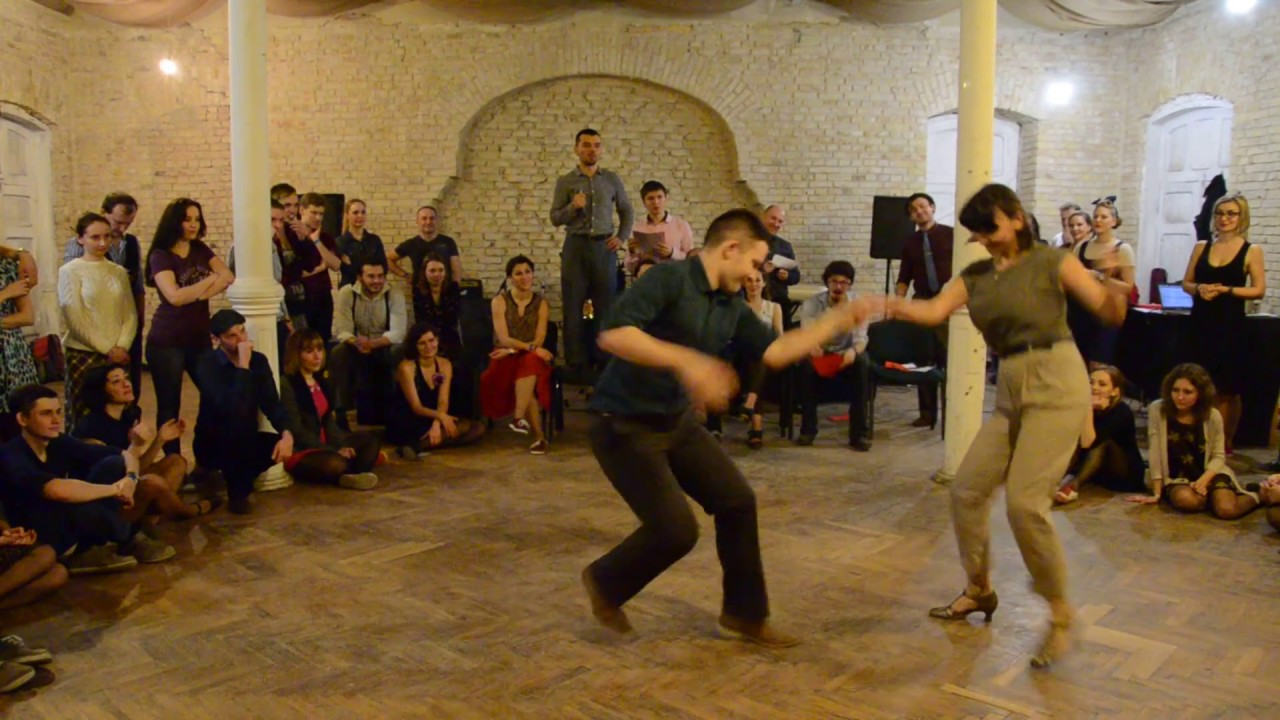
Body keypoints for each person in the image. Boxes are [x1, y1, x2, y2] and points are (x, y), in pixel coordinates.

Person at [581, 208, 872, 648]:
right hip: (623, 424)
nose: (759, 273)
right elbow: (614, 334)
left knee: (737, 501)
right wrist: (690, 362)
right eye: (756, 263)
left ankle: (744, 614)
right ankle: (605, 582)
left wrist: (838, 321)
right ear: (731, 249)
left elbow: (775, 352)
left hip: (674, 421)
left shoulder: (729, 305)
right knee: (676, 532)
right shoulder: (668, 280)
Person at [881, 183, 1129, 668]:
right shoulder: (976, 275)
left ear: (1016, 217)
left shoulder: (1052, 261)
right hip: (1013, 388)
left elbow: (1107, 311)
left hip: (1057, 381)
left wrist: (1117, 289)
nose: (985, 240)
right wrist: (875, 304)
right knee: (967, 490)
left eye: (990, 229)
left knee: (1024, 504)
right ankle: (979, 590)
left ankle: (1061, 616)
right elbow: (932, 310)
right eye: (978, 233)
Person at [0, 384, 178, 572]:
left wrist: (131, 479)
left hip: (63, 512)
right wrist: (116, 489)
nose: (56, 420)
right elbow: (56, 491)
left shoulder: (58, 440)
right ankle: (113, 541)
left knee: (114, 464)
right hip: (37, 529)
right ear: (22, 419)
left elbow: (125, 455)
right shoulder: (11, 454)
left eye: (58, 412)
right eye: (45, 414)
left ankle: (116, 538)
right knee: (83, 503)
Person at [144, 198, 234, 457]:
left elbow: (227, 276)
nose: (193, 225)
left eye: (197, 219)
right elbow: (173, 297)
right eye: (187, 219)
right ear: (175, 222)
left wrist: (192, 293)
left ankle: (207, 456)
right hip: (167, 340)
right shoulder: (160, 256)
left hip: (198, 337)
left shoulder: (200, 249)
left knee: (215, 393)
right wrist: (208, 285)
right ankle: (173, 462)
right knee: (170, 405)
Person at [1181, 192, 1265, 455]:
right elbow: (1186, 283)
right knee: (1198, 381)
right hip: (1200, 323)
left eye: (1231, 213)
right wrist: (1200, 289)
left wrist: (1226, 290)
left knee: (1226, 389)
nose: (1224, 218)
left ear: (1241, 217)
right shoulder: (1202, 247)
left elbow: (1259, 290)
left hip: (1230, 326)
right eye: (1220, 213)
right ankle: (1198, 439)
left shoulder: (1251, 250)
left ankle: (1224, 444)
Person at [71, 363, 213, 517]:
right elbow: (115, 475)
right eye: (116, 381)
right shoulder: (91, 427)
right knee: (152, 481)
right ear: (100, 390)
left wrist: (160, 440)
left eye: (126, 378)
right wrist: (136, 447)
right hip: (107, 496)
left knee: (176, 461)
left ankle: (152, 517)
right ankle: (187, 511)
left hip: (128, 479)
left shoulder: (129, 415)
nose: (126, 384)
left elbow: (137, 466)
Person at [549, 129, 634, 375]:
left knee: (605, 307)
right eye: (586, 145)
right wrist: (572, 208)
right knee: (573, 306)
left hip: (603, 248)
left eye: (596, 145)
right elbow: (555, 218)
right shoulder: (565, 181)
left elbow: (627, 211)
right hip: (575, 247)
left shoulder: (611, 179)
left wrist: (620, 237)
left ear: (601, 149)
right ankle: (576, 363)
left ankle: (604, 362)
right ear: (576, 149)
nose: (592, 150)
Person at [193, 310, 294, 515]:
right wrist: (243, 367)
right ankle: (235, 490)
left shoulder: (258, 361)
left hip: (245, 435)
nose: (241, 340)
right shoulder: (206, 364)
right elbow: (231, 407)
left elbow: (271, 403)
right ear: (216, 339)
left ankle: (238, 482)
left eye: (242, 332)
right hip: (214, 438)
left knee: (274, 442)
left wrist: (287, 433)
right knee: (236, 435)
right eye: (232, 336)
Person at [1127, 363, 1259, 519]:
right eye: (1175, 390)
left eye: (1187, 392)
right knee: (1187, 501)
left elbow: (1218, 456)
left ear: (1200, 394)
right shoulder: (1158, 409)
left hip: (1209, 473)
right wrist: (1156, 493)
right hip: (1178, 476)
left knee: (1226, 510)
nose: (1180, 397)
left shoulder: (1212, 415)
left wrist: (1203, 481)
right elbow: (1155, 451)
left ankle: (1259, 495)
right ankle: (1210, 498)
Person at [57, 212, 138, 429]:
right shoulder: (70, 271)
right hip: (85, 353)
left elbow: (129, 313)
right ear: (81, 239)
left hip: (117, 354)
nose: (103, 243)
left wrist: (122, 346)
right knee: (84, 412)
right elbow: (74, 319)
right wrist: (106, 348)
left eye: (107, 236)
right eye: (95, 237)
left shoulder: (118, 272)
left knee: (119, 411)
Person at [62, 193, 145, 392]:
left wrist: (125, 341)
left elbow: (134, 294)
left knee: (127, 396)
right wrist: (108, 348)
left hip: (121, 338)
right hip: (89, 345)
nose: (123, 228)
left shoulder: (127, 249)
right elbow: (75, 313)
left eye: (129, 223)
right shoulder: (73, 264)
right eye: (118, 222)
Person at [279, 330, 380, 490]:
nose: (317, 356)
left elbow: (328, 421)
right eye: (309, 351)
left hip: (327, 443)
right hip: (303, 449)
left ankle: (350, 474)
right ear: (296, 354)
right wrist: (334, 451)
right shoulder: (288, 384)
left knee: (370, 441)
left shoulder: (320, 379)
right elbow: (297, 431)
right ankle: (351, 470)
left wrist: (342, 445)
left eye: (319, 350)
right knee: (334, 463)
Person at [480, 255, 553, 454]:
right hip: (505, 354)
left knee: (529, 363)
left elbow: (539, 338)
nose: (524, 277)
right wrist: (520, 349)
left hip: (524, 355)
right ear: (510, 277)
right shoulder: (500, 301)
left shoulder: (541, 303)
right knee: (528, 368)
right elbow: (503, 337)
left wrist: (516, 349)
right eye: (518, 273)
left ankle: (518, 417)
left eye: (528, 272)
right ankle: (539, 437)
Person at [797, 261, 871, 451]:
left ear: (850, 285)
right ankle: (808, 430)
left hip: (847, 353)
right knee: (805, 366)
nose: (839, 287)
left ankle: (859, 434)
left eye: (844, 282)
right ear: (827, 282)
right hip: (822, 352)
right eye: (834, 282)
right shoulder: (813, 304)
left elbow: (861, 339)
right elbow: (808, 333)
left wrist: (853, 352)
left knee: (863, 363)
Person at [894, 192, 954, 427]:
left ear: (932, 207)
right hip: (922, 301)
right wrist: (898, 303)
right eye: (914, 210)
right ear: (911, 217)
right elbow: (904, 276)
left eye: (923, 206)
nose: (919, 212)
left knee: (949, 358)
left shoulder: (951, 235)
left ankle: (953, 413)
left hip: (948, 302)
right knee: (923, 358)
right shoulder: (910, 242)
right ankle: (927, 413)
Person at [389, 322, 484, 458]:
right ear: (414, 346)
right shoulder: (407, 367)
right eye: (422, 343)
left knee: (477, 429)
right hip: (410, 419)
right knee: (460, 428)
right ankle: (417, 444)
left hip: (432, 417)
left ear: (437, 340)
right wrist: (441, 417)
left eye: (431, 340)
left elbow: (443, 401)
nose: (428, 346)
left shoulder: (444, 364)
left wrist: (437, 423)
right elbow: (416, 407)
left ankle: (418, 446)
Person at [329, 260, 407, 428]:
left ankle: (396, 413)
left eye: (380, 276)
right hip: (357, 345)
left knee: (398, 351)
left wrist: (373, 344)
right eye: (371, 276)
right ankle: (340, 412)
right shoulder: (347, 293)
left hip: (383, 344)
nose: (377, 281)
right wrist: (357, 342)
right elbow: (343, 330)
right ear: (360, 277)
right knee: (338, 352)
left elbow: (398, 332)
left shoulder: (394, 293)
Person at [1053, 365, 1145, 504]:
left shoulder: (1121, 411)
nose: (1094, 387)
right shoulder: (1083, 404)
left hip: (1124, 472)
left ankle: (1072, 487)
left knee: (1103, 443)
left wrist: (1088, 409)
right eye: (1091, 382)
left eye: (1102, 384)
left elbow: (1089, 442)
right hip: (1097, 470)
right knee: (1071, 440)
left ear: (1114, 391)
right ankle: (1051, 481)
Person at [1066, 197, 1135, 366]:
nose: (1098, 220)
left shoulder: (1122, 249)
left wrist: (1100, 277)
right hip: (1080, 313)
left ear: (1114, 221)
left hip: (1105, 314)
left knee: (1098, 366)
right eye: (1096, 216)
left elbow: (1128, 287)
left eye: (1103, 217)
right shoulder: (1081, 247)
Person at [742, 268, 783, 449]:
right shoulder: (739, 306)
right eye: (749, 280)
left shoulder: (774, 308)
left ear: (764, 283)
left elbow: (780, 336)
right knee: (756, 356)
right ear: (743, 284)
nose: (754, 284)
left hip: (767, 357)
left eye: (758, 280)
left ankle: (751, 404)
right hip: (742, 356)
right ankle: (756, 427)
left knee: (762, 357)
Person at [295, 193, 342, 343]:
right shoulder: (292, 234)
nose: (318, 218)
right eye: (314, 213)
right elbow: (294, 272)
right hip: (301, 296)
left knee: (323, 340)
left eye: (321, 214)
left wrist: (316, 241)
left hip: (323, 295)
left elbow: (335, 265)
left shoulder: (326, 238)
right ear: (302, 210)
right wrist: (319, 268)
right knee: (302, 342)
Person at [388, 206, 462, 298]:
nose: (428, 222)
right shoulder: (410, 244)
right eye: (424, 218)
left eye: (432, 218)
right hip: (420, 294)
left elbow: (456, 270)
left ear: (436, 221)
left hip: (446, 293)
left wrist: (455, 291)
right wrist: (405, 275)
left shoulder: (448, 242)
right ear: (417, 221)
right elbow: (387, 259)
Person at [0, 241, 37, 423]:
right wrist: (4, 294)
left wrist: (23, 253)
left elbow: (27, 317)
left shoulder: (6, 264)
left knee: (17, 420)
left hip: (12, 355)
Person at [626, 180, 694, 276]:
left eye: (660, 197)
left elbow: (691, 259)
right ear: (644, 202)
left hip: (674, 276)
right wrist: (632, 252)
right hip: (647, 276)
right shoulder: (638, 227)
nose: (656, 202)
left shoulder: (681, 225)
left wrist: (672, 253)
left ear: (666, 198)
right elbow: (629, 266)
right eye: (650, 198)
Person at [413, 253, 463, 360]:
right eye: (432, 271)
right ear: (424, 273)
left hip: (449, 336)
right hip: (427, 337)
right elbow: (422, 320)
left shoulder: (453, 288)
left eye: (441, 270)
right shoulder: (418, 290)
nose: (437, 274)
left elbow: (452, 319)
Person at [334, 198, 386, 289]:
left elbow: (383, 266)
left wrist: (352, 264)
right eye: (355, 212)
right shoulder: (340, 242)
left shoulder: (375, 240)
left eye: (363, 212)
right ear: (347, 215)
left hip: (373, 289)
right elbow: (344, 269)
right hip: (350, 289)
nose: (360, 216)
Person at [759, 204, 800, 308]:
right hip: (755, 299)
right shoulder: (750, 242)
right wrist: (761, 270)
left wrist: (787, 276)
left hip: (780, 301)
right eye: (773, 218)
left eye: (780, 221)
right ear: (763, 217)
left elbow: (796, 276)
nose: (776, 224)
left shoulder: (785, 246)